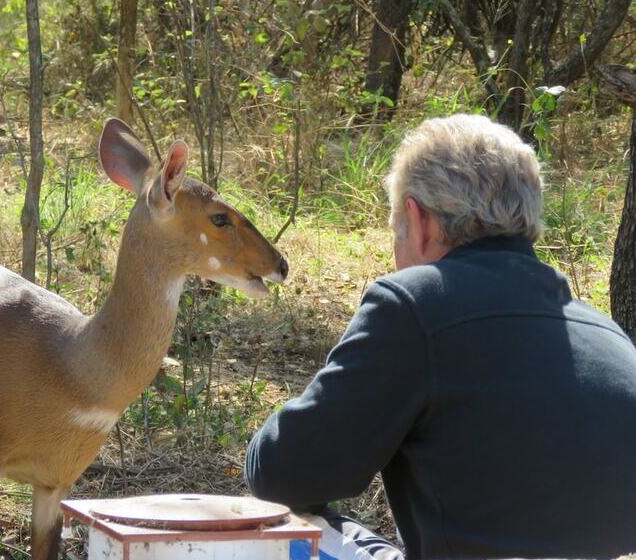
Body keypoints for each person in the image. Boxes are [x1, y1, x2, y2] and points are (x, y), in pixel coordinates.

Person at [245, 114, 636, 560]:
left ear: (418, 220)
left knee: (284, 530)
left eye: (396, 229)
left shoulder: (413, 303)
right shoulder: (606, 332)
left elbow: (284, 474)